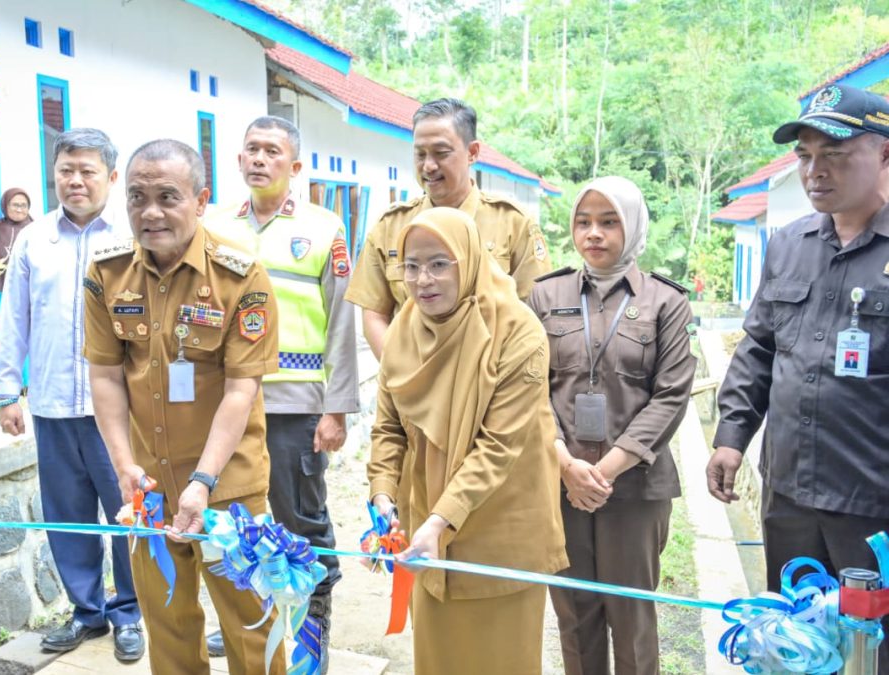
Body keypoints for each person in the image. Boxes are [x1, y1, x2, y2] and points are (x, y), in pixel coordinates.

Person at [84, 139, 286, 675]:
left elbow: (241, 389)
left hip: (227, 484)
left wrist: (203, 481)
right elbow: (105, 375)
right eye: (137, 197)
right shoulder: (107, 273)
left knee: (250, 623)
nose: (150, 212)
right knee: (166, 621)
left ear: (200, 200)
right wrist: (123, 465)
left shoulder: (240, 276)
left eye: (167, 197)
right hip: (148, 486)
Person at [707, 83, 889, 670]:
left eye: (835, 154)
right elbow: (759, 348)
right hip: (788, 496)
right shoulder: (788, 244)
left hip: (872, 507)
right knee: (790, 646)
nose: (816, 171)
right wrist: (732, 436)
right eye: (806, 156)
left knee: (869, 652)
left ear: (884, 153)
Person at [367, 207, 567, 674]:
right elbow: (389, 427)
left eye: (439, 264)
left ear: (470, 260)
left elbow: (498, 447)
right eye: (412, 266)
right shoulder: (403, 330)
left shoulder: (518, 332)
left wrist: (440, 521)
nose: (423, 280)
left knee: (502, 662)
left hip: (500, 530)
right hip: (426, 530)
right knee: (438, 661)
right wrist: (382, 497)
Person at [202, 116, 358, 670]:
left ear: (294, 166)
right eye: (252, 149)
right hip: (229, 405)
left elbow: (342, 321)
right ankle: (249, 621)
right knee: (236, 522)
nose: (260, 159)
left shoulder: (323, 227)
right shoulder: (214, 225)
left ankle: (312, 633)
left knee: (302, 521)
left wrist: (336, 408)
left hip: (296, 407)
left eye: (272, 151)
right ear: (238, 160)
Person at [530, 176, 696, 675]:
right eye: (583, 222)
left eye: (608, 222)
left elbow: (670, 396)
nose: (594, 233)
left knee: (632, 621)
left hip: (635, 489)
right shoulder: (544, 295)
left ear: (633, 227)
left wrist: (603, 472)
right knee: (574, 618)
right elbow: (529, 389)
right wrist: (565, 464)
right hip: (561, 484)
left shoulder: (666, 302)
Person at [0, 128, 143, 662]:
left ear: (111, 176)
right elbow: (14, 316)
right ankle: (87, 611)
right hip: (53, 404)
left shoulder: (132, 236)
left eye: (87, 171)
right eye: (65, 171)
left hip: (119, 412)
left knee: (128, 513)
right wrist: (6, 391)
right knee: (67, 516)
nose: (75, 181)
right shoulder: (34, 238)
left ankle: (130, 611)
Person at [346, 97, 552, 361]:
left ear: (472, 152)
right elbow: (374, 313)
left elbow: (535, 315)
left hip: (491, 378)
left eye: (441, 153)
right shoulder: (390, 226)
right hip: (411, 378)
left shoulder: (513, 223)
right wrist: (402, 373)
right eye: (420, 154)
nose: (428, 166)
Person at [0, 187, 33, 389]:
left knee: (26, 332)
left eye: (24, 205)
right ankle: (0, 380)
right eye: (15, 205)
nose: (19, 209)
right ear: (5, 205)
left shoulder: (35, 229)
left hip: (27, 289)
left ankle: (27, 380)